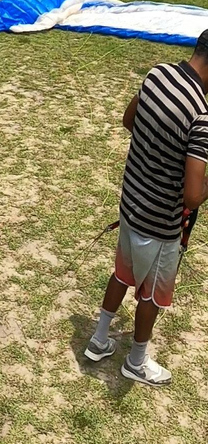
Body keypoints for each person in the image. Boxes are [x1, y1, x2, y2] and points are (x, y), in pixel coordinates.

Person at [84, 29, 208, 386]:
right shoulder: (201, 115)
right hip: (161, 225)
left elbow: (129, 121)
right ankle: (136, 362)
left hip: (131, 206)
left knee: (122, 273)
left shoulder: (157, 73)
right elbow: (192, 196)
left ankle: (99, 338)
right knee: (152, 294)